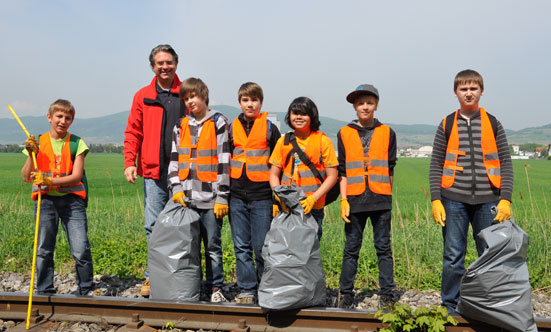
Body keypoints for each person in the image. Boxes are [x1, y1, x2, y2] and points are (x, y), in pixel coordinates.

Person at [429, 69, 514, 314]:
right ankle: (449, 305)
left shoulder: (492, 123)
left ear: (481, 91)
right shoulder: (447, 123)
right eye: (463, 89)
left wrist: (505, 199)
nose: (469, 93)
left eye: (473, 88)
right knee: (453, 256)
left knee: (489, 256)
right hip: (453, 200)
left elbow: (506, 163)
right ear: (455, 92)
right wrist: (436, 199)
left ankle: (486, 305)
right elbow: (436, 164)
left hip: (489, 201)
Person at [123, 44, 186, 297]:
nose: (164, 67)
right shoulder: (142, 95)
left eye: (168, 62)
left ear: (176, 65)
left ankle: (181, 275)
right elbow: (133, 131)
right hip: (153, 171)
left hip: (184, 173)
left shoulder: (187, 92)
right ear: (153, 66)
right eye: (160, 63)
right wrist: (130, 162)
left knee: (183, 225)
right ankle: (153, 277)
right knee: (154, 226)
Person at [21, 99, 95, 296]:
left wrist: (50, 181)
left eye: (67, 118)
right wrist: (30, 154)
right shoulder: (37, 142)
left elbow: (76, 176)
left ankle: (86, 288)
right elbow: (26, 175)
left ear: (72, 121)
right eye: (59, 116)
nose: (63, 121)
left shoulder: (77, 143)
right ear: (49, 117)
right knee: (44, 248)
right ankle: (45, 290)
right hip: (45, 201)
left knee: (80, 248)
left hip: (72, 201)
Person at [336, 84, 398, 309]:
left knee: (384, 248)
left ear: (376, 105)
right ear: (354, 106)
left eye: (369, 102)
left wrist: (387, 196)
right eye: (361, 103)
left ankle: (388, 295)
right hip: (354, 200)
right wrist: (343, 200)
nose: (365, 107)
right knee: (351, 249)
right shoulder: (344, 132)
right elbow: (342, 170)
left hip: (381, 200)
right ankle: (346, 294)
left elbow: (390, 168)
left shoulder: (388, 132)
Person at [168, 77, 230, 303]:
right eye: (185, 98)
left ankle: (216, 288)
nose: (190, 102)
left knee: (212, 246)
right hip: (186, 200)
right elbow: (174, 161)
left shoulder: (219, 122)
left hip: (211, 199)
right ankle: (193, 287)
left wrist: (222, 197)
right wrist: (175, 187)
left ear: (204, 95)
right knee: (189, 248)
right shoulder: (180, 125)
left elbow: (224, 161)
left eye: (193, 96)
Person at [229, 82, 281, 304]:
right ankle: (247, 290)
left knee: (261, 247)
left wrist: (277, 198)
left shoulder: (270, 128)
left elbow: (281, 163)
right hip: (236, 195)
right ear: (239, 102)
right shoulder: (231, 127)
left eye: (254, 100)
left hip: (261, 195)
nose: (250, 104)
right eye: (245, 100)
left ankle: (265, 287)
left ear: (261, 102)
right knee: (241, 246)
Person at [268, 96, 338, 240]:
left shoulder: (323, 141)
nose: (299, 117)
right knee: (287, 251)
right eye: (295, 113)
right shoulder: (283, 141)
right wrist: (279, 198)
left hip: (314, 208)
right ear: (290, 116)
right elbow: (274, 175)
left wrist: (313, 198)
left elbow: (332, 176)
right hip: (288, 207)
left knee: (310, 252)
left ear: (312, 116)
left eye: (304, 114)